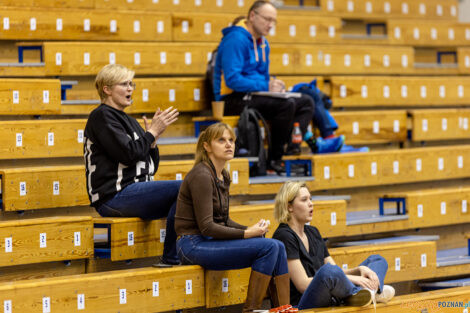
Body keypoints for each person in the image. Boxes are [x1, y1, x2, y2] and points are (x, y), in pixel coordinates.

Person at [213, 0, 344, 173]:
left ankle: (291, 150)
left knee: (306, 101)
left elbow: (263, 77)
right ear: (252, 16)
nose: (271, 25)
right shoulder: (235, 39)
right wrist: (267, 85)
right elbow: (233, 80)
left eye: (274, 21)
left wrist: (275, 85)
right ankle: (274, 160)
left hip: (254, 95)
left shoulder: (263, 43)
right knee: (286, 104)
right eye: (267, 19)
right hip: (230, 99)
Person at [175, 123, 290, 312]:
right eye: (221, 140)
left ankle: (283, 309)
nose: (229, 144)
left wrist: (251, 230)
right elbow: (207, 227)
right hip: (192, 244)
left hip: (208, 241)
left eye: (231, 140)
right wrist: (247, 234)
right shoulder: (202, 175)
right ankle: (251, 310)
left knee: (278, 245)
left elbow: (224, 220)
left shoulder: (223, 175)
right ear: (207, 146)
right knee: (269, 247)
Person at [84, 64, 181, 266]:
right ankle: (172, 256)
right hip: (114, 196)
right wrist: (152, 133)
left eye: (131, 84)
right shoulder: (101, 116)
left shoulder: (130, 121)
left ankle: (183, 253)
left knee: (193, 191)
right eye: (124, 84)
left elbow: (151, 167)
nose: (130, 89)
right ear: (107, 89)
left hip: (135, 193)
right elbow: (128, 155)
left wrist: (152, 142)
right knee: (187, 187)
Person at [272, 181, 395, 309]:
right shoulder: (284, 236)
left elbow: (338, 272)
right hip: (303, 304)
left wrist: (359, 270)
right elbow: (303, 284)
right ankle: (366, 293)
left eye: (311, 199)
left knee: (377, 260)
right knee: (328, 271)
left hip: (330, 295)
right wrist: (355, 279)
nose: (310, 203)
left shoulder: (313, 232)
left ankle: (370, 292)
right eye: (304, 200)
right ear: (289, 206)